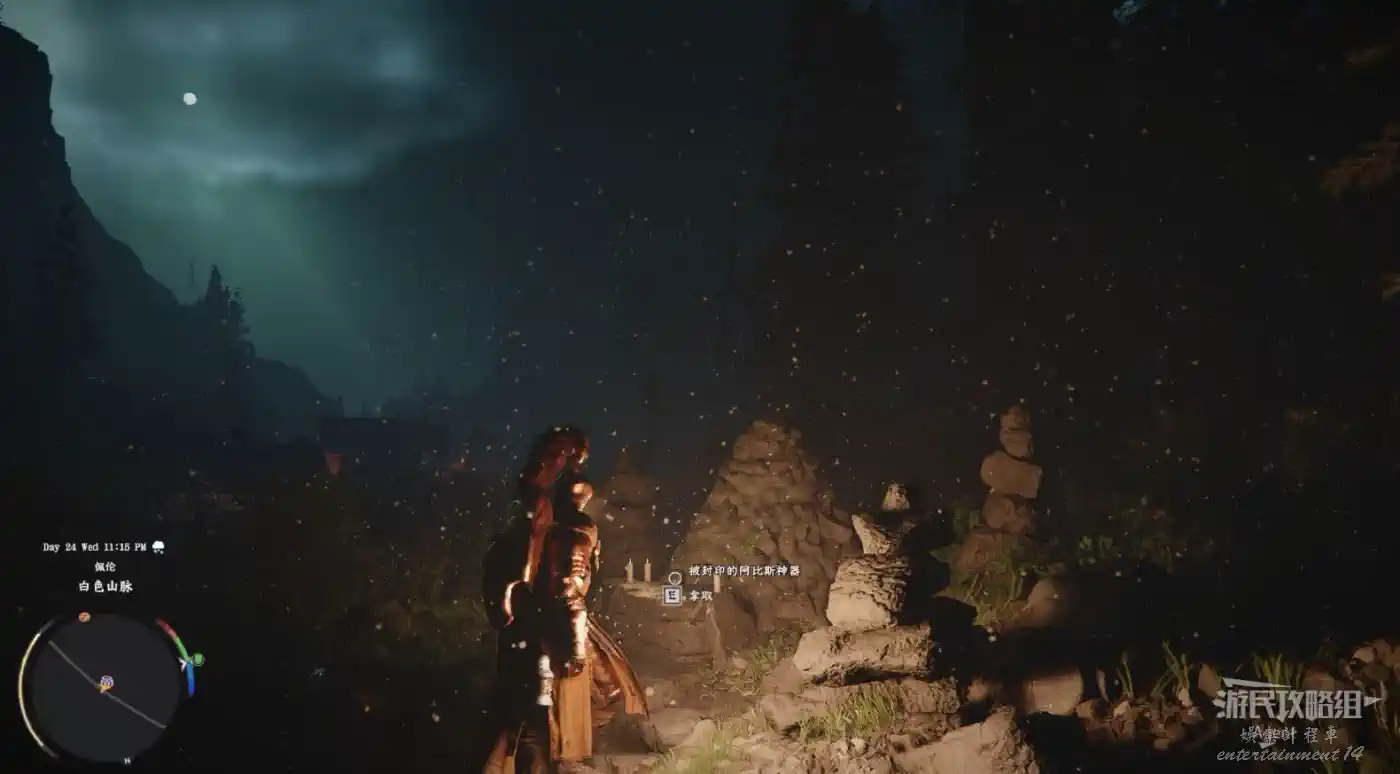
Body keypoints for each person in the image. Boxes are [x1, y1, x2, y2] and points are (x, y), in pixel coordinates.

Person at [480, 427, 647, 774]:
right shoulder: (535, 518)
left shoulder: (560, 523)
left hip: (543, 620)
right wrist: (523, 609)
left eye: (573, 460)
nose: (569, 466)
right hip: (531, 622)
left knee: (540, 712)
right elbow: (514, 571)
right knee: (525, 714)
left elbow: (570, 582)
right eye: (563, 458)